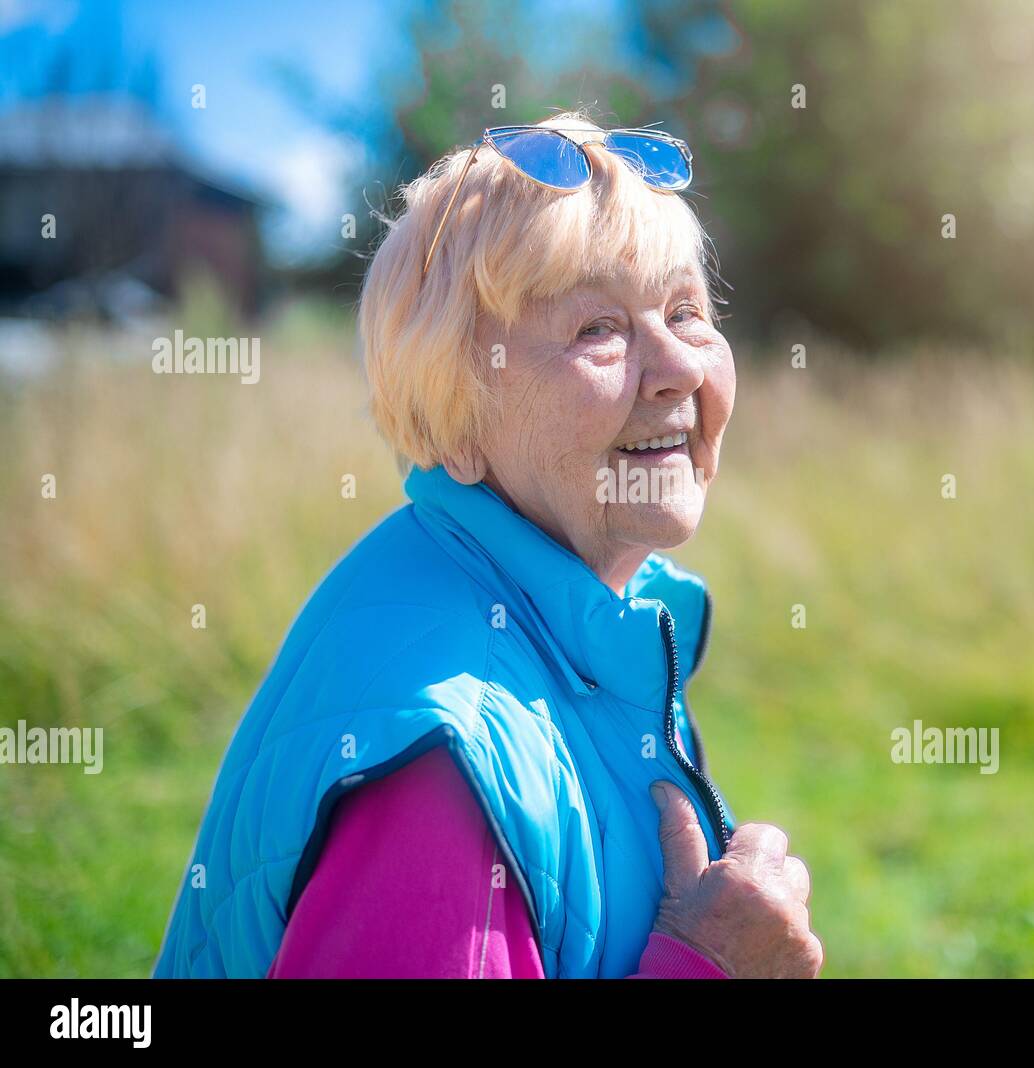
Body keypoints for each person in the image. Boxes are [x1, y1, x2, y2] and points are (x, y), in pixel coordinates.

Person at [153, 110, 822, 979]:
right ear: (456, 418)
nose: (680, 368)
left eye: (686, 311)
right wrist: (710, 966)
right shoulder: (442, 768)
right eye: (597, 329)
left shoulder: (591, 619)